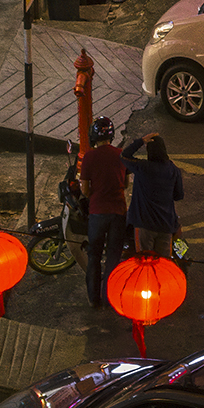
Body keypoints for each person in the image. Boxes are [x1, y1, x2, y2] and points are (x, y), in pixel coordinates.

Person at [81, 114, 129, 306]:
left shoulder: (89, 157)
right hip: (118, 212)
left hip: (97, 213)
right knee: (113, 256)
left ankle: (94, 298)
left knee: (94, 256)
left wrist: (95, 192)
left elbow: (85, 189)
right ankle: (110, 296)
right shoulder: (121, 154)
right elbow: (125, 184)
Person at [127, 132, 186, 257]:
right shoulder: (173, 169)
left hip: (145, 225)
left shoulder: (143, 167)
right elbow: (178, 195)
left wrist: (141, 141)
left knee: (145, 262)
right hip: (165, 225)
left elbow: (124, 156)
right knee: (162, 264)